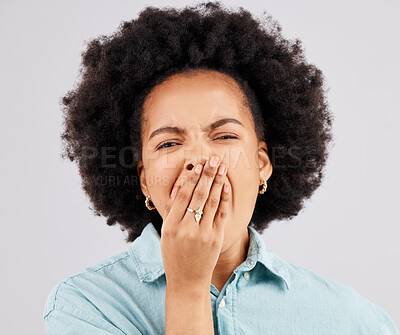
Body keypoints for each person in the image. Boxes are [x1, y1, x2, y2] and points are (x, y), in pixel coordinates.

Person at [43, 1, 399, 334]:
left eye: (224, 136)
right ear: (145, 182)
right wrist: (187, 288)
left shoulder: (351, 319)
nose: (198, 158)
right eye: (168, 143)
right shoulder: (85, 306)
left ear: (262, 164)